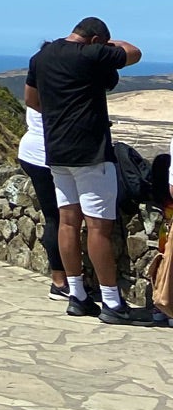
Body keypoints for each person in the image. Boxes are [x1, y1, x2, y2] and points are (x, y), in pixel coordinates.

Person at [27, 16, 144, 322]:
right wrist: (108, 48)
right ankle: (110, 301)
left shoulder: (41, 56)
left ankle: (77, 295)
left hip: (56, 150)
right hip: (90, 152)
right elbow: (134, 52)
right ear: (95, 40)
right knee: (98, 227)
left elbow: (31, 99)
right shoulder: (92, 53)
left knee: (67, 222)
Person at [15, 98, 69, 302]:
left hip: (32, 151)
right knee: (60, 218)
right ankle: (60, 282)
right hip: (50, 155)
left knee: (53, 217)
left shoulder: (39, 71)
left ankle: (63, 280)